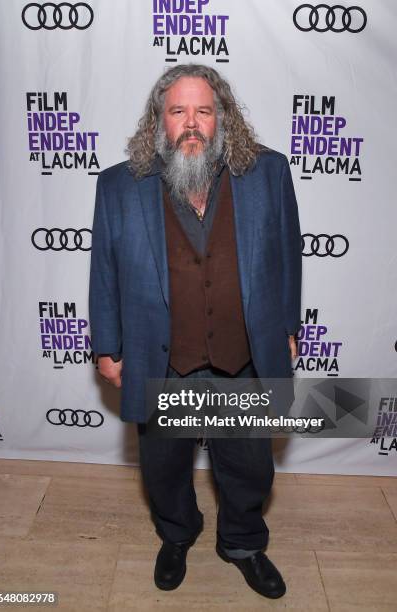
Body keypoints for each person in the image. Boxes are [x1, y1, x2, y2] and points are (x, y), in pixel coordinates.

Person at [89, 63, 302, 599]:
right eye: (178, 111)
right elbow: (105, 270)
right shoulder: (119, 185)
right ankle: (177, 534)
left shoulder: (269, 173)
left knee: (249, 465)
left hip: (244, 355)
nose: (191, 123)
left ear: (222, 117)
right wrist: (108, 346)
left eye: (203, 111)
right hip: (163, 358)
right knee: (163, 467)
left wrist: (288, 326)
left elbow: (288, 256)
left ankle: (244, 544)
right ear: (158, 121)